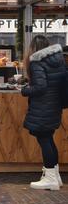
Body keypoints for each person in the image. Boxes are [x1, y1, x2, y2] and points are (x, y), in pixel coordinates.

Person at [21, 35, 65, 191]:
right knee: (49, 140)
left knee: (44, 140)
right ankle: (54, 175)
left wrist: (25, 90)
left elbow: (40, 87)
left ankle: (51, 179)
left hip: (43, 107)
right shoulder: (57, 60)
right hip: (54, 106)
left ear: (33, 48)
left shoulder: (37, 62)